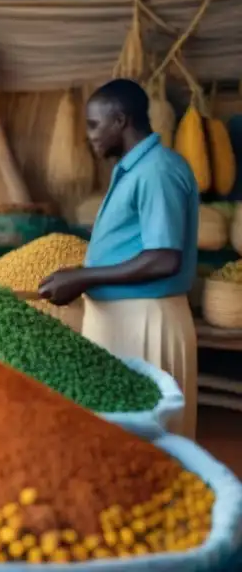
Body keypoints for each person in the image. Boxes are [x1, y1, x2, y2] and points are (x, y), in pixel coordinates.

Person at [39, 78, 198, 440]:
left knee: (152, 441)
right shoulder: (133, 169)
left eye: (95, 125)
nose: (89, 136)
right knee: (120, 439)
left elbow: (164, 259)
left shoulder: (158, 170)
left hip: (146, 322)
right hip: (121, 322)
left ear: (121, 121)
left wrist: (84, 277)